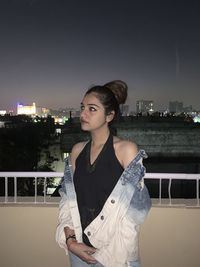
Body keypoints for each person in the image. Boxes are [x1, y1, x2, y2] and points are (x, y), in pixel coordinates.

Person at [56, 80, 151, 267]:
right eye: (82, 107)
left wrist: (107, 255)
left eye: (92, 109)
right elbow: (68, 201)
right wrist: (71, 241)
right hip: (79, 251)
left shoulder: (126, 150)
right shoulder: (77, 151)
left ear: (109, 115)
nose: (82, 113)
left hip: (116, 254)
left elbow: (137, 211)